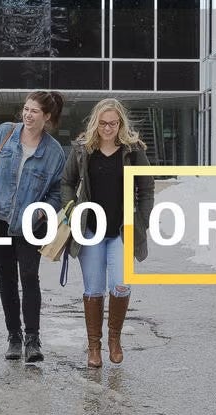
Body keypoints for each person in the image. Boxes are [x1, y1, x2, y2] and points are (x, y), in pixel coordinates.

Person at [0, 91, 67, 363]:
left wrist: (41, 212)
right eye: (26, 109)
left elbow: (57, 193)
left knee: (29, 277)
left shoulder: (53, 152)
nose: (27, 115)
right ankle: (14, 337)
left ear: (47, 116)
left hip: (29, 225)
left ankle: (33, 339)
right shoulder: (5, 133)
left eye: (34, 111)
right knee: (6, 279)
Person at [61, 98, 154, 368]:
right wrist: (71, 209)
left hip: (121, 232)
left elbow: (146, 188)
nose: (108, 128)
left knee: (121, 284)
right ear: (95, 123)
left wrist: (143, 222)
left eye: (113, 123)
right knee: (93, 289)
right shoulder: (82, 150)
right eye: (103, 123)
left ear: (120, 123)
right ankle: (94, 347)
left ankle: (115, 340)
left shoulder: (133, 151)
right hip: (91, 230)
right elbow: (66, 182)